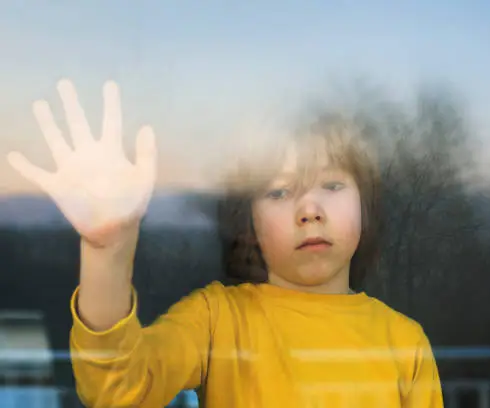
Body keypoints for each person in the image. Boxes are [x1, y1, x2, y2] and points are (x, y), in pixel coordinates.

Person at [7, 79, 444, 407]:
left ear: (364, 204)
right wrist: (107, 248)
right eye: (279, 191)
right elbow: (115, 387)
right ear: (249, 224)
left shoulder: (405, 343)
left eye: (331, 184)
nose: (309, 209)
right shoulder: (218, 319)